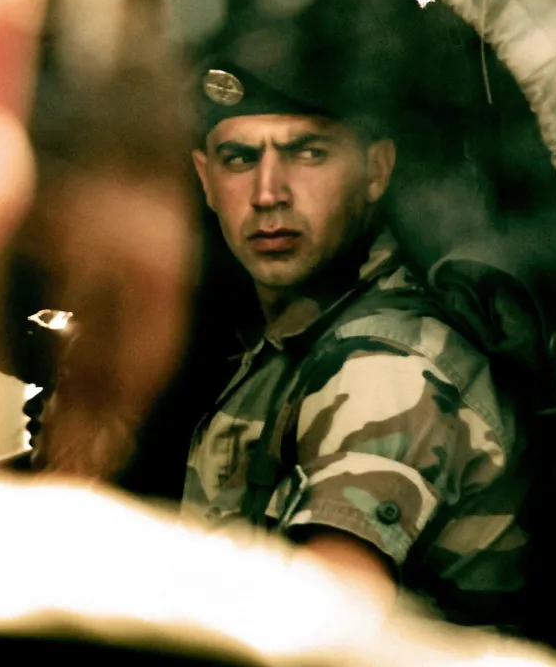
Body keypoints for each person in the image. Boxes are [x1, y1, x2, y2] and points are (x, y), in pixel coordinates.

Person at [181, 46, 530, 629]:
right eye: (239, 158)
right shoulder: (302, 339)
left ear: (376, 170)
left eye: (308, 153)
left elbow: (324, 632)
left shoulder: (382, 367)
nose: (268, 193)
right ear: (206, 180)